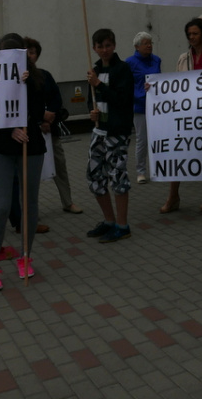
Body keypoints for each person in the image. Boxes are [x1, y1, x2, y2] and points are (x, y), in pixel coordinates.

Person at [0, 34, 45, 291]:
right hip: (0, 149)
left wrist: (26, 87)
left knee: (29, 205)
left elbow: (40, 114)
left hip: (30, 148)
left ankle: (25, 257)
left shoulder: (36, 78)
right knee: (1, 207)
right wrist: (9, 130)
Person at [160, 17, 202, 213]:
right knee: (178, 151)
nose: (191, 37)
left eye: (195, 33)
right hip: (187, 114)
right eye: (189, 34)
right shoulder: (183, 58)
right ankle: (173, 196)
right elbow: (175, 85)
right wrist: (156, 89)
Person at [85, 28, 134, 243]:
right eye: (100, 46)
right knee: (95, 175)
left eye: (108, 45)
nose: (104, 50)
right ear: (94, 49)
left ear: (114, 45)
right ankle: (109, 221)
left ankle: (123, 226)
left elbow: (122, 100)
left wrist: (99, 85)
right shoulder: (93, 70)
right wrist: (92, 112)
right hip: (99, 131)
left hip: (117, 132)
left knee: (118, 176)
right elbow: (92, 101)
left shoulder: (123, 69)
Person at [24, 36, 82, 215]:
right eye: (26, 52)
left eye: (32, 52)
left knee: (60, 166)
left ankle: (67, 202)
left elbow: (56, 99)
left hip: (51, 131)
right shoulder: (18, 79)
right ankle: (31, 210)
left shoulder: (45, 76)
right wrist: (40, 117)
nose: (29, 56)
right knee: (30, 174)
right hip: (30, 133)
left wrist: (49, 118)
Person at [124, 31, 161, 184]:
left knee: (158, 138)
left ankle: (159, 167)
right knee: (142, 139)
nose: (149, 46)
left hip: (157, 105)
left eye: (150, 43)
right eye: (145, 43)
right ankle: (141, 171)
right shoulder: (130, 62)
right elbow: (127, 85)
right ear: (137, 47)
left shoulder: (157, 60)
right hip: (139, 105)